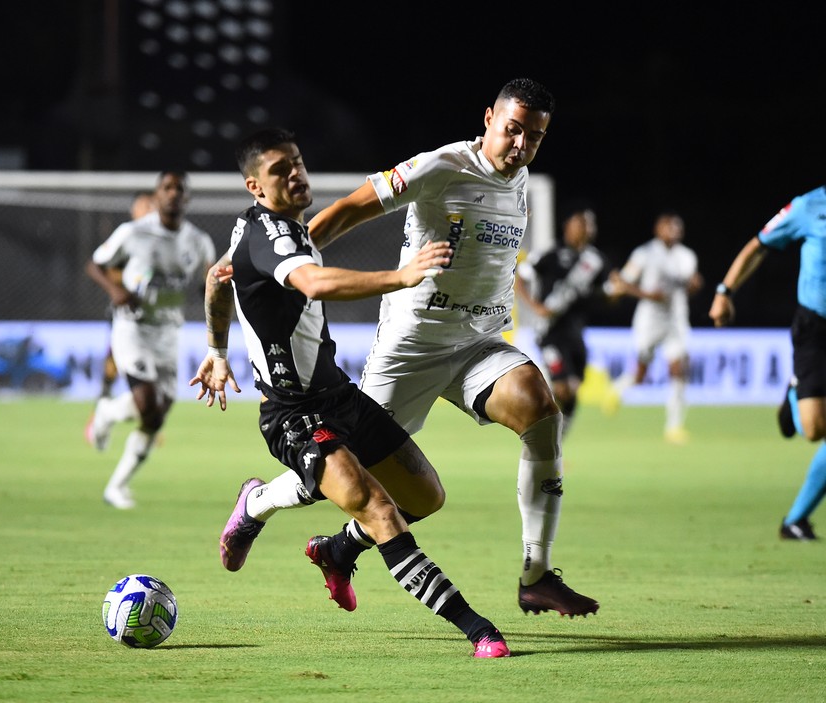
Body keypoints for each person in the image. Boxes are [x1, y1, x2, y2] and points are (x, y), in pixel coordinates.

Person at [202, 78, 599, 619]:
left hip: (479, 342)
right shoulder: (440, 167)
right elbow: (349, 209)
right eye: (512, 130)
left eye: (534, 137)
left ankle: (536, 574)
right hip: (411, 347)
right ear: (488, 118)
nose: (521, 146)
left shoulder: (521, 176)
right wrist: (283, 259)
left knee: (540, 409)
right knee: (348, 474)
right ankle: (260, 505)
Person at [190, 127, 510, 658]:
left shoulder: (268, 227)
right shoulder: (269, 235)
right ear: (255, 186)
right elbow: (314, 284)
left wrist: (217, 351)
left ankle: (321, 543)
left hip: (339, 395)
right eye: (279, 170)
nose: (295, 174)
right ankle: (477, 629)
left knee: (425, 496)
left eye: (296, 162)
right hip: (293, 414)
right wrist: (401, 276)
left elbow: (217, 279)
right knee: (379, 510)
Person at [85, 172, 215, 509]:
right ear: (156, 196)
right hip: (133, 328)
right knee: (146, 402)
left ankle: (116, 479)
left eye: (179, 190)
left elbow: (209, 286)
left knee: (157, 416)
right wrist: (116, 290)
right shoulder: (133, 233)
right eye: (166, 188)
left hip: (169, 332)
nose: (173, 194)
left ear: (187, 199)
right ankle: (111, 419)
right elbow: (95, 264)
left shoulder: (199, 242)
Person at [709, 184, 826, 541]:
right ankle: (794, 395)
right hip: (816, 328)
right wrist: (724, 292)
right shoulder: (810, 205)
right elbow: (759, 245)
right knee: (815, 430)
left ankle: (795, 521)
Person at [514, 203, 617, 436]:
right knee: (563, 388)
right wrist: (535, 307)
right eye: (582, 223)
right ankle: (543, 435)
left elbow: (608, 294)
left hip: (576, 333)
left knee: (573, 390)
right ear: (568, 226)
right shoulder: (550, 254)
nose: (587, 228)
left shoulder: (596, 261)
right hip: (550, 332)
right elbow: (520, 276)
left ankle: (556, 442)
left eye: (590, 224)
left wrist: (615, 294)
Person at [611, 212, 703, 444]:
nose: (673, 231)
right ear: (657, 230)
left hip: (676, 321)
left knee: (679, 369)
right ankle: (616, 389)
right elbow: (622, 283)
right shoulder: (644, 254)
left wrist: (695, 286)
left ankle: (674, 427)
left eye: (676, 227)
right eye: (668, 227)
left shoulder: (687, 256)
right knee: (641, 375)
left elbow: (689, 287)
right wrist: (647, 295)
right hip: (649, 321)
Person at [95, 190, 157, 401]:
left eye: (152, 205)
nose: (149, 210)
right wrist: (118, 290)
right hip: (127, 312)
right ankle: (105, 399)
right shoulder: (127, 237)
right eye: (144, 206)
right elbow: (100, 266)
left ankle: (142, 410)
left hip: (153, 314)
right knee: (118, 358)